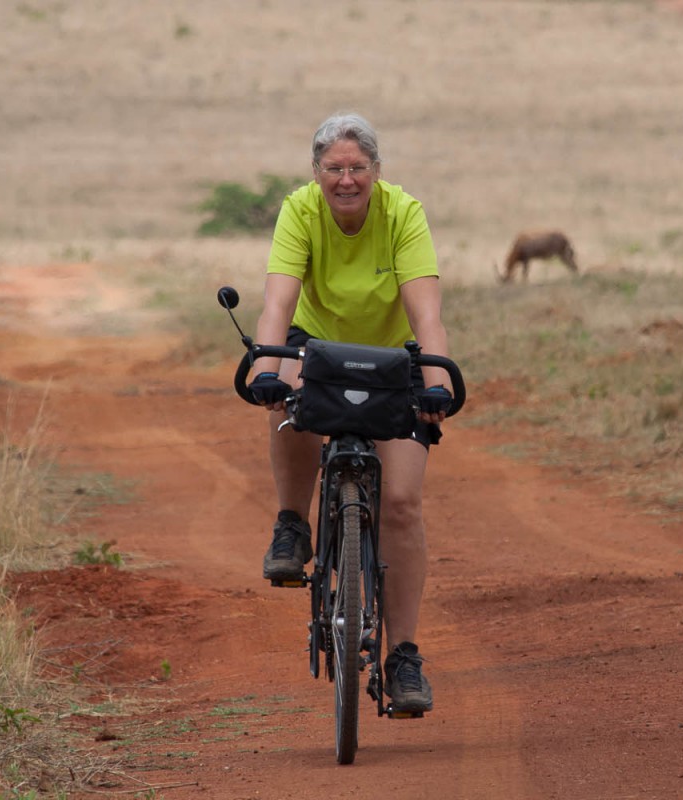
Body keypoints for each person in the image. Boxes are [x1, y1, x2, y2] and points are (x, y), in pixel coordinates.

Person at [244, 112, 454, 714]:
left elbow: (429, 318)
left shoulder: (404, 213)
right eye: (333, 168)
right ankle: (292, 523)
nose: (346, 179)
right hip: (319, 350)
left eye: (357, 167)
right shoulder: (299, 210)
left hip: (394, 360)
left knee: (404, 503)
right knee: (282, 383)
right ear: (316, 174)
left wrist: (437, 382)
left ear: (376, 172)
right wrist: (263, 368)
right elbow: (277, 306)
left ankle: (405, 656)